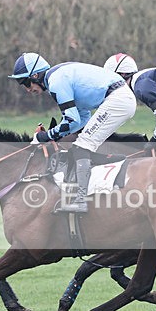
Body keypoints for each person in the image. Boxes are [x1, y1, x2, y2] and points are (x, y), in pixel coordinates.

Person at [9, 52, 136, 212]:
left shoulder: (56, 82)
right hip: (120, 98)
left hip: (118, 99)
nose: (27, 89)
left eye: (26, 83)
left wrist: (45, 136)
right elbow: (82, 118)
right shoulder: (56, 78)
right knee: (83, 146)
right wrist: (53, 135)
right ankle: (115, 162)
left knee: (82, 146)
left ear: (35, 75)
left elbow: (72, 120)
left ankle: (81, 201)